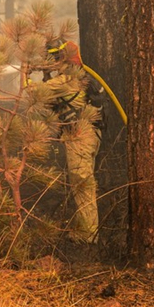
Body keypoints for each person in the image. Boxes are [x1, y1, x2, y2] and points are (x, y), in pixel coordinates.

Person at [40, 39, 104, 243]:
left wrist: (25, 73)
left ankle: (88, 237)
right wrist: (46, 74)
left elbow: (33, 94)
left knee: (82, 185)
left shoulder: (66, 81)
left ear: (59, 59)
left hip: (79, 136)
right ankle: (84, 230)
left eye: (51, 59)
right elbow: (52, 102)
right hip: (89, 135)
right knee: (82, 184)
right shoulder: (78, 76)